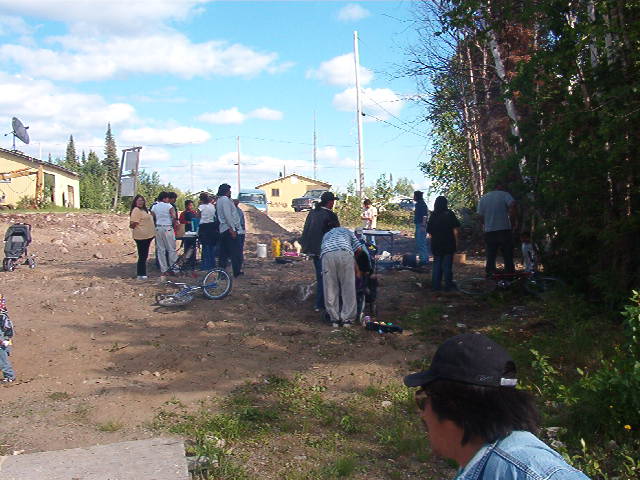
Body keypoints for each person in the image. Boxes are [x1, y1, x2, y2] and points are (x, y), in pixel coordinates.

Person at [404, 333, 590, 480]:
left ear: (452, 405)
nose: (423, 415)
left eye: (423, 400)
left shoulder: (527, 470)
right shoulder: (480, 461)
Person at [301, 192, 340, 312]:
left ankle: (320, 303)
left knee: (321, 275)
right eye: (333, 201)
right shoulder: (330, 215)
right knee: (326, 277)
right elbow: (336, 234)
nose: (333, 203)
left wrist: (306, 248)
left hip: (313, 249)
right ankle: (321, 304)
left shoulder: (312, 213)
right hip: (325, 250)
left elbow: (306, 231)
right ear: (330, 202)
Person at [320, 223, 362, 328]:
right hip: (344, 254)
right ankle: (347, 320)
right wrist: (357, 267)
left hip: (327, 255)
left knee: (330, 288)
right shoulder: (347, 231)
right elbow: (359, 249)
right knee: (348, 287)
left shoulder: (327, 235)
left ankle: (334, 319)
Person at [477, 186, 516, 275]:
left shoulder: (483, 198)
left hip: (490, 231)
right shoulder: (505, 194)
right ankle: (509, 277)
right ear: (499, 186)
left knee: (491, 255)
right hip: (504, 229)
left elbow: (479, 216)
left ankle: (491, 278)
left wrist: (486, 224)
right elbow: (512, 205)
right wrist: (512, 222)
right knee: (508, 255)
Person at [427, 196, 461, 291]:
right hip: (448, 243)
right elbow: (455, 230)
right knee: (447, 266)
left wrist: (434, 241)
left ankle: (436, 285)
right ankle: (448, 285)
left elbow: (429, 232)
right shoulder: (450, 214)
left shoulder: (433, 215)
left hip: (436, 244)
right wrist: (457, 242)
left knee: (437, 264)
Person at [150, 191, 179, 279]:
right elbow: (174, 217)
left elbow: (152, 218)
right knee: (171, 249)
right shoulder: (169, 206)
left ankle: (164, 269)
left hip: (158, 228)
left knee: (160, 249)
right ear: (165, 198)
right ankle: (174, 269)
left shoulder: (154, 206)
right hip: (168, 228)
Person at [216, 183, 242, 277]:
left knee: (224, 253)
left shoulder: (219, 200)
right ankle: (236, 272)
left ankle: (221, 273)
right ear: (226, 191)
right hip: (228, 229)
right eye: (229, 190)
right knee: (235, 252)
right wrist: (232, 229)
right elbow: (228, 216)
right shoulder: (225, 200)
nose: (230, 192)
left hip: (223, 229)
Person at [129, 194, 155, 280]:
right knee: (142, 256)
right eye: (139, 200)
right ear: (135, 202)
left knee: (144, 255)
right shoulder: (136, 210)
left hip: (147, 236)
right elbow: (133, 224)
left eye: (142, 200)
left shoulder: (143, 210)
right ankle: (141, 274)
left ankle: (142, 273)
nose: (141, 202)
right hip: (141, 236)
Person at [197, 192, 218, 271]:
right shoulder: (212, 206)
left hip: (204, 227)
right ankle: (212, 264)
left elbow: (198, 216)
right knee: (211, 246)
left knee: (205, 246)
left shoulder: (201, 207)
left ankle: (205, 265)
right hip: (212, 226)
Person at [179, 199, 198, 270]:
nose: (191, 206)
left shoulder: (194, 212)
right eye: (190, 205)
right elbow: (181, 221)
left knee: (193, 247)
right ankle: (187, 261)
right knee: (187, 247)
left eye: (192, 205)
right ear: (186, 206)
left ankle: (193, 260)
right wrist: (187, 222)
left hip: (193, 232)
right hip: (186, 232)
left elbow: (197, 219)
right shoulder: (183, 213)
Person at [0, 295, 15, 384]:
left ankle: (9, 376)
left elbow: (8, 328)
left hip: (2, 342)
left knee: (2, 359)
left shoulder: (2, 316)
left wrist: (6, 339)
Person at [413, 190, 431, 266]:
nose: (413, 197)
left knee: (421, 242)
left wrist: (423, 225)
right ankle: (422, 258)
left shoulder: (422, 204)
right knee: (419, 242)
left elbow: (425, 215)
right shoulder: (418, 204)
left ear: (417, 196)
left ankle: (424, 260)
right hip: (419, 224)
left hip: (421, 225)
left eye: (414, 196)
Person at [233, 199, 246, 275]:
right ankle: (238, 269)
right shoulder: (239, 211)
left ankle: (237, 269)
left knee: (236, 252)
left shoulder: (235, 211)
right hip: (240, 232)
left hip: (237, 233)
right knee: (239, 252)